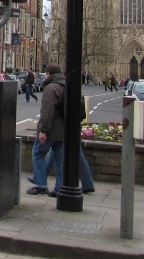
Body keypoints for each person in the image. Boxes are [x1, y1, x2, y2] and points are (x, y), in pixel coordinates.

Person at [27, 65, 95, 196]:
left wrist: (43, 130)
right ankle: (59, 188)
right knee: (60, 159)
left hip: (52, 129)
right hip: (66, 130)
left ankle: (41, 185)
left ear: (48, 74)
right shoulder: (68, 86)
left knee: (37, 153)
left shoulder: (51, 88)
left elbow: (47, 112)